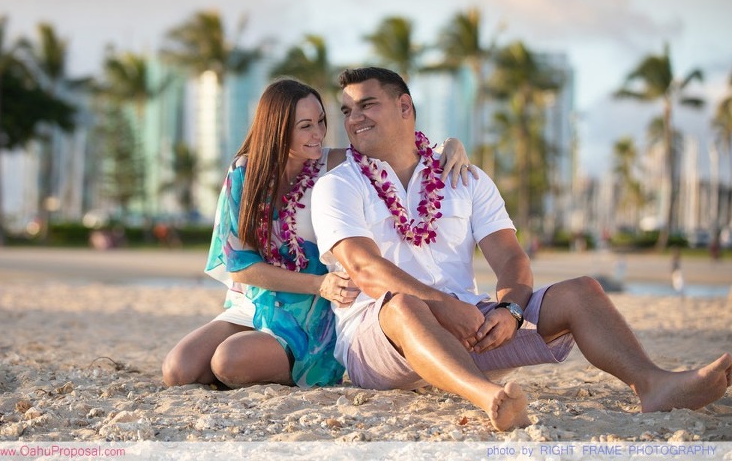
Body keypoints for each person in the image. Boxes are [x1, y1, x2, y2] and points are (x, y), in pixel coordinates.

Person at [311, 67, 732, 431]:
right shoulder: (339, 185)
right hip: (379, 341)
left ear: (405, 107)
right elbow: (364, 269)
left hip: (471, 328)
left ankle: (653, 384)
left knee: (581, 291)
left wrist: (510, 311)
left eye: (367, 105)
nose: (354, 118)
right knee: (403, 304)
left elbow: (511, 258)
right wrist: (441, 304)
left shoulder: (464, 176)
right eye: (347, 111)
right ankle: (490, 398)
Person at [162, 78, 476, 389]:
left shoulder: (337, 164)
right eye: (306, 126)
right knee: (178, 370)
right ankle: (259, 359)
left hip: (316, 317)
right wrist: (318, 283)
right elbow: (241, 267)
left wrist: (450, 145)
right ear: (278, 128)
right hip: (256, 304)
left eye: (321, 121)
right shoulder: (245, 173)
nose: (319, 134)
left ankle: (290, 367)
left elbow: (400, 147)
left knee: (228, 361)